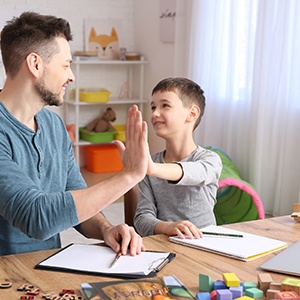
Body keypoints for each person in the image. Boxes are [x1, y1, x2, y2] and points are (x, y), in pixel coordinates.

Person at [0, 11, 149, 256]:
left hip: (46, 270)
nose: (71, 76)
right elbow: (36, 217)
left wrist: (105, 229)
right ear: (35, 64)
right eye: (66, 65)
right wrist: (129, 175)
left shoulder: (54, 126)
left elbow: (77, 202)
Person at [134, 77, 222, 238]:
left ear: (192, 113)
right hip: (164, 243)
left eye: (165, 105)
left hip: (205, 245)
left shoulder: (210, 160)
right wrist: (168, 227)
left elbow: (195, 173)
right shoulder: (150, 166)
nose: (155, 113)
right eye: (153, 107)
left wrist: (152, 168)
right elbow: (141, 220)